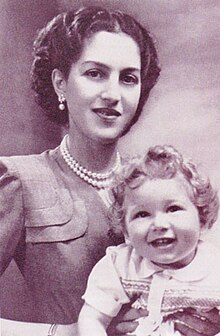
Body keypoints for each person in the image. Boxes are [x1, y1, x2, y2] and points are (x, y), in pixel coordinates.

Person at [0, 5, 219, 336]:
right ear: (60, 83)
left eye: (128, 78)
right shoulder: (19, 180)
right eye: (95, 73)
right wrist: (70, 332)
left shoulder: (153, 182)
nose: (113, 94)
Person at [78, 145, 220, 336]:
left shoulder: (214, 268)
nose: (159, 224)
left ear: (202, 218)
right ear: (125, 230)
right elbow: (92, 318)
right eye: (142, 214)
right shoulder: (121, 264)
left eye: (173, 209)